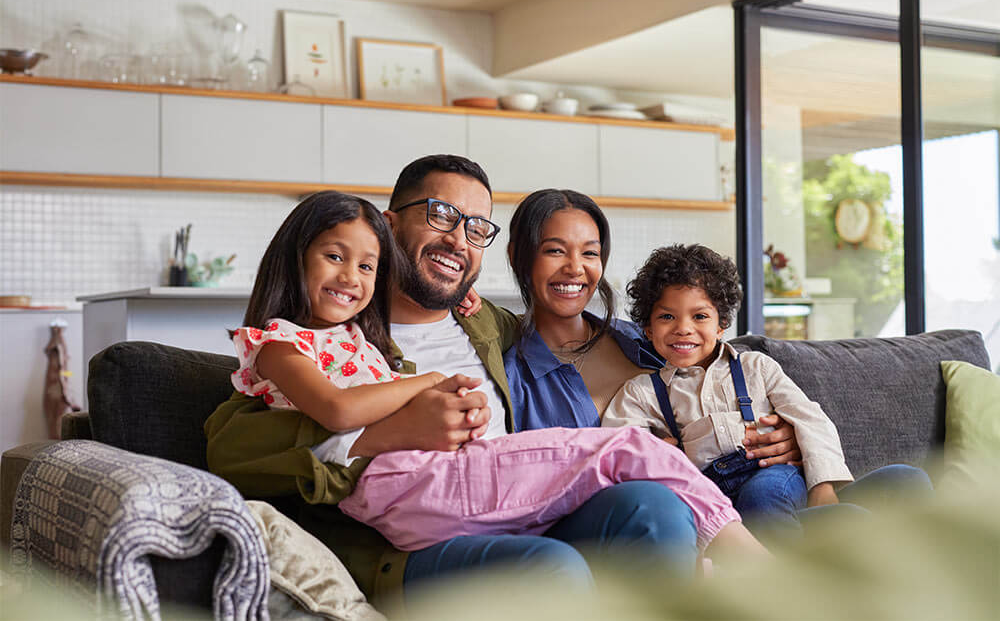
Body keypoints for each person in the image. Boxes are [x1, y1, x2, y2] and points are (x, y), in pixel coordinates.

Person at [205, 156, 760, 603]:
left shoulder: (486, 324)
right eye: (441, 215)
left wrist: (756, 417)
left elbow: (633, 339)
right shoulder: (334, 334)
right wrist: (393, 432)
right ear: (388, 224)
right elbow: (231, 446)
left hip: (515, 508)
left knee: (653, 508)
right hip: (413, 539)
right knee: (550, 568)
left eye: (475, 229)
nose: (458, 240)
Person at [602, 243, 933, 544]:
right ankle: (807, 565)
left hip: (785, 482)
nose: (683, 327)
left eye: (699, 316)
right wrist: (657, 451)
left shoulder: (756, 368)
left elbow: (809, 418)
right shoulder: (643, 391)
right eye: (667, 317)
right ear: (648, 328)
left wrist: (822, 487)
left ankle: (834, 533)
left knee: (906, 479)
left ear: (721, 324)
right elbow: (615, 446)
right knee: (767, 497)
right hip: (728, 508)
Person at [503, 189, 803, 469]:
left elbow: (732, 386)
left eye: (590, 253)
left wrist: (786, 437)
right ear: (518, 256)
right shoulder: (514, 381)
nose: (575, 267)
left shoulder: (645, 338)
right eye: (555, 251)